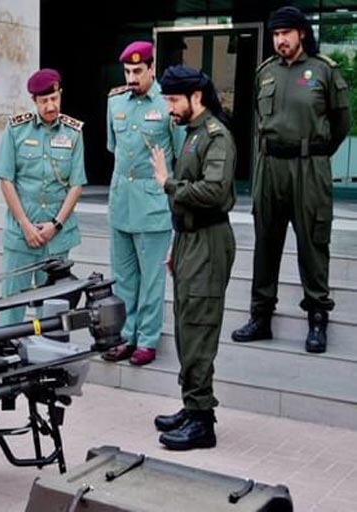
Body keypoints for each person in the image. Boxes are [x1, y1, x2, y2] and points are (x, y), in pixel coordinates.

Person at [232, 6, 351, 354]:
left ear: (301, 33)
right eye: (275, 34)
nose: (280, 40)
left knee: (313, 244)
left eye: (286, 33)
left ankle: (317, 318)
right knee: (265, 243)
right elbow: (259, 118)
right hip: (270, 167)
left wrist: (314, 152)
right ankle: (261, 316)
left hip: (309, 168)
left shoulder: (324, 71)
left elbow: (341, 123)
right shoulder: (265, 72)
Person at [150, 66, 236, 451]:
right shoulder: (193, 134)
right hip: (189, 240)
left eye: (173, 99)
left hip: (208, 241)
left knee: (199, 328)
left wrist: (167, 183)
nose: (169, 107)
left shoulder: (216, 136)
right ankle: (192, 405)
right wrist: (176, 243)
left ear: (195, 97)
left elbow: (214, 192)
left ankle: (202, 423)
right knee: (186, 326)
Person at [102, 41, 183, 366]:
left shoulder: (168, 104)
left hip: (153, 205)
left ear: (152, 68)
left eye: (138, 70)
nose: (132, 77)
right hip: (121, 201)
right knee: (123, 277)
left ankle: (147, 339)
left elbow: (179, 155)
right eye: (127, 71)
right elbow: (113, 147)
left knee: (151, 280)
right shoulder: (115, 102)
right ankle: (125, 335)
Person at [0, 69, 87, 326]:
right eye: (44, 101)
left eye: (54, 99)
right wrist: (25, 225)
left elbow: (76, 185)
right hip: (21, 235)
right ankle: (8, 348)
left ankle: (50, 351)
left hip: (57, 237)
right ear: (34, 101)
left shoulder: (73, 132)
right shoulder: (16, 130)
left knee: (54, 310)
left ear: (60, 94)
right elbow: (6, 180)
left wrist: (55, 225)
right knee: (12, 305)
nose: (50, 106)